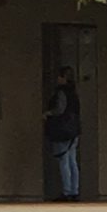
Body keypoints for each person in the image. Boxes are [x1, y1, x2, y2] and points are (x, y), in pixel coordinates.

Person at [44, 67, 83, 202]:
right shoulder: (74, 93)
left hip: (63, 129)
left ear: (63, 78)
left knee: (63, 160)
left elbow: (60, 109)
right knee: (72, 160)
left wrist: (48, 113)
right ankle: (74, 190)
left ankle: (66, 191)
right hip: (74, 129)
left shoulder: (61, 92)